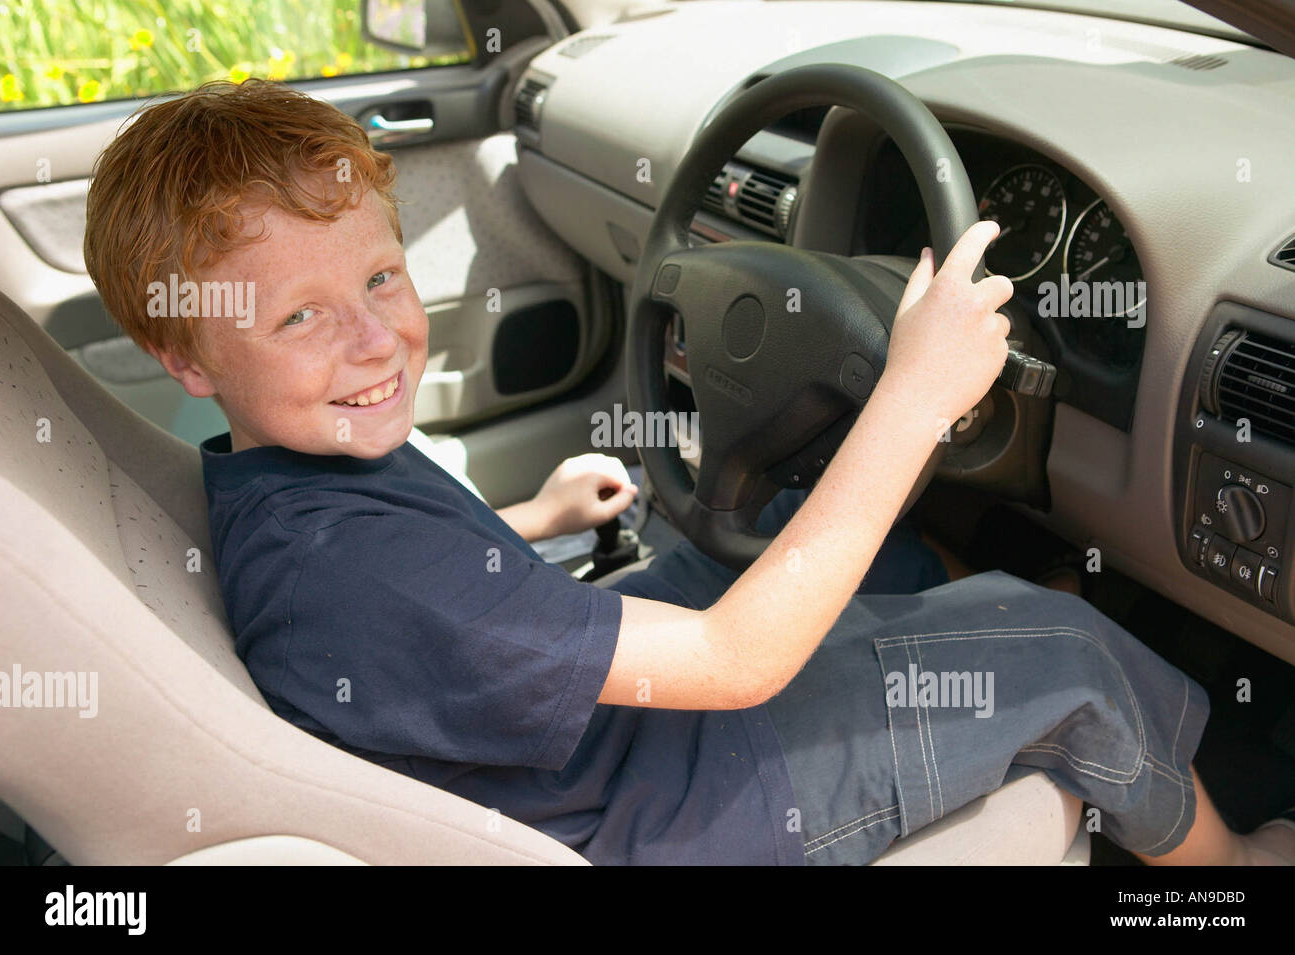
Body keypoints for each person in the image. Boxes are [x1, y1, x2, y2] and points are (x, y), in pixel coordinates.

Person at [82, 79, 1294, 865]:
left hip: (572, 744)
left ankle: (978, 652)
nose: (372, 339)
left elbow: (417, 583)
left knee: (824, 528)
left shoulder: (277, 485)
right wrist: (916, 399)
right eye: (299, 319)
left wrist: (531, 516)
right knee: (1062, 653)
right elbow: (737, 662)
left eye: (382, 280)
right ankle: (1227, 864)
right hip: (671, 813)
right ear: (183, 351)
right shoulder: (363, 572)